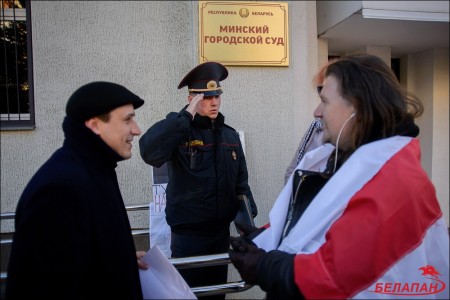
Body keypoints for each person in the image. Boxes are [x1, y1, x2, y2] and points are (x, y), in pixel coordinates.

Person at [228, 54, 449, 299]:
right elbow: (323, 225)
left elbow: (333, 277)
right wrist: (270, 236)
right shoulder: (356, 159)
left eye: (325, 101)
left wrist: (263, 266)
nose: (317, 112)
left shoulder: (391, 180)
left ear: (358, 107)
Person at [5, 81, 149, 300]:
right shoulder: (61, 189)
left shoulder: (95, 168)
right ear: (94, 125)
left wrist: (119, 258)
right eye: (127, 119)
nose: (136, 130)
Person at [139, 61, 258, 299]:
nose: (214, 102)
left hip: (219, 235)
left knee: (216, 294)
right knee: (188, 294)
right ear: (192, 98)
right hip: (188, 238)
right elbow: (150, 152)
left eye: (217, 96)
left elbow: (241, 187)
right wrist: (186, 115)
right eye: (206, 97)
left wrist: (249, 231)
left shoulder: (230, 136)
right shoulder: (180, 132)